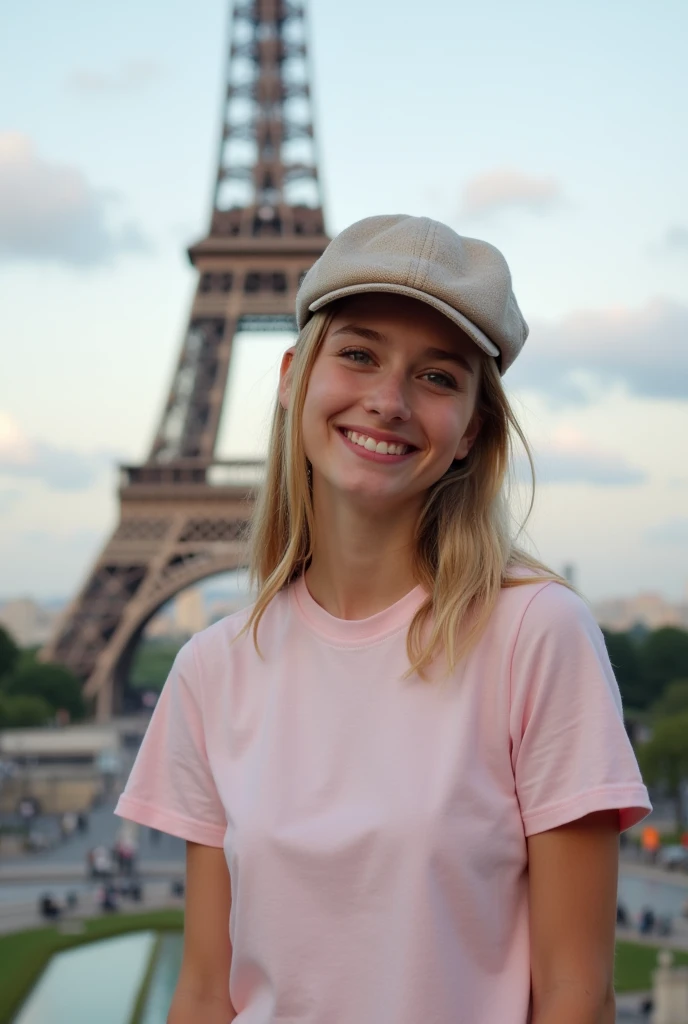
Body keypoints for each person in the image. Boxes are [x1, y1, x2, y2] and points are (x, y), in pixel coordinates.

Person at [115, 215, 652, 1024]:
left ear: (472, 429)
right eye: (359, 354)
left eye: (437, 377)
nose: (389, 401)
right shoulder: (210, 668)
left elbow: (577, 993)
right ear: (296, 373)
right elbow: (202, 991)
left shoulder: (538, 636)